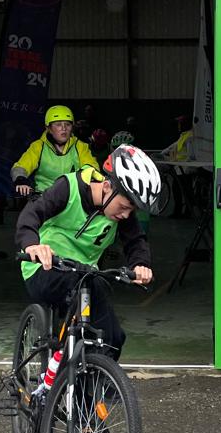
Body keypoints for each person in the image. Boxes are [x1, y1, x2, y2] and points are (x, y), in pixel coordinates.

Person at [16, 145, 162, 358]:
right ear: (106, 186)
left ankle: (95, 376)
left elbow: (135, 241)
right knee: (88, 287)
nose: (125, 214)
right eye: (124, 207)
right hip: (45, 267)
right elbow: (32, 213)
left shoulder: (120, 210)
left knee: (112, 337)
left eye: (131, 210)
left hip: (85, 275)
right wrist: (32, 245)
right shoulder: (69, 187)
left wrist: (141, 264)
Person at [11, 105, 100, 198]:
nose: (64, 128)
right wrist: (21, 179)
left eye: (68, 124)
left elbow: (91, 166)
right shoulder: (38, 146)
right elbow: (21, 167)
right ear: (48, 128)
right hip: (44, 198)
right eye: (58, 124)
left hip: (73, 198)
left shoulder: (80, 146)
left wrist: (87, 174)